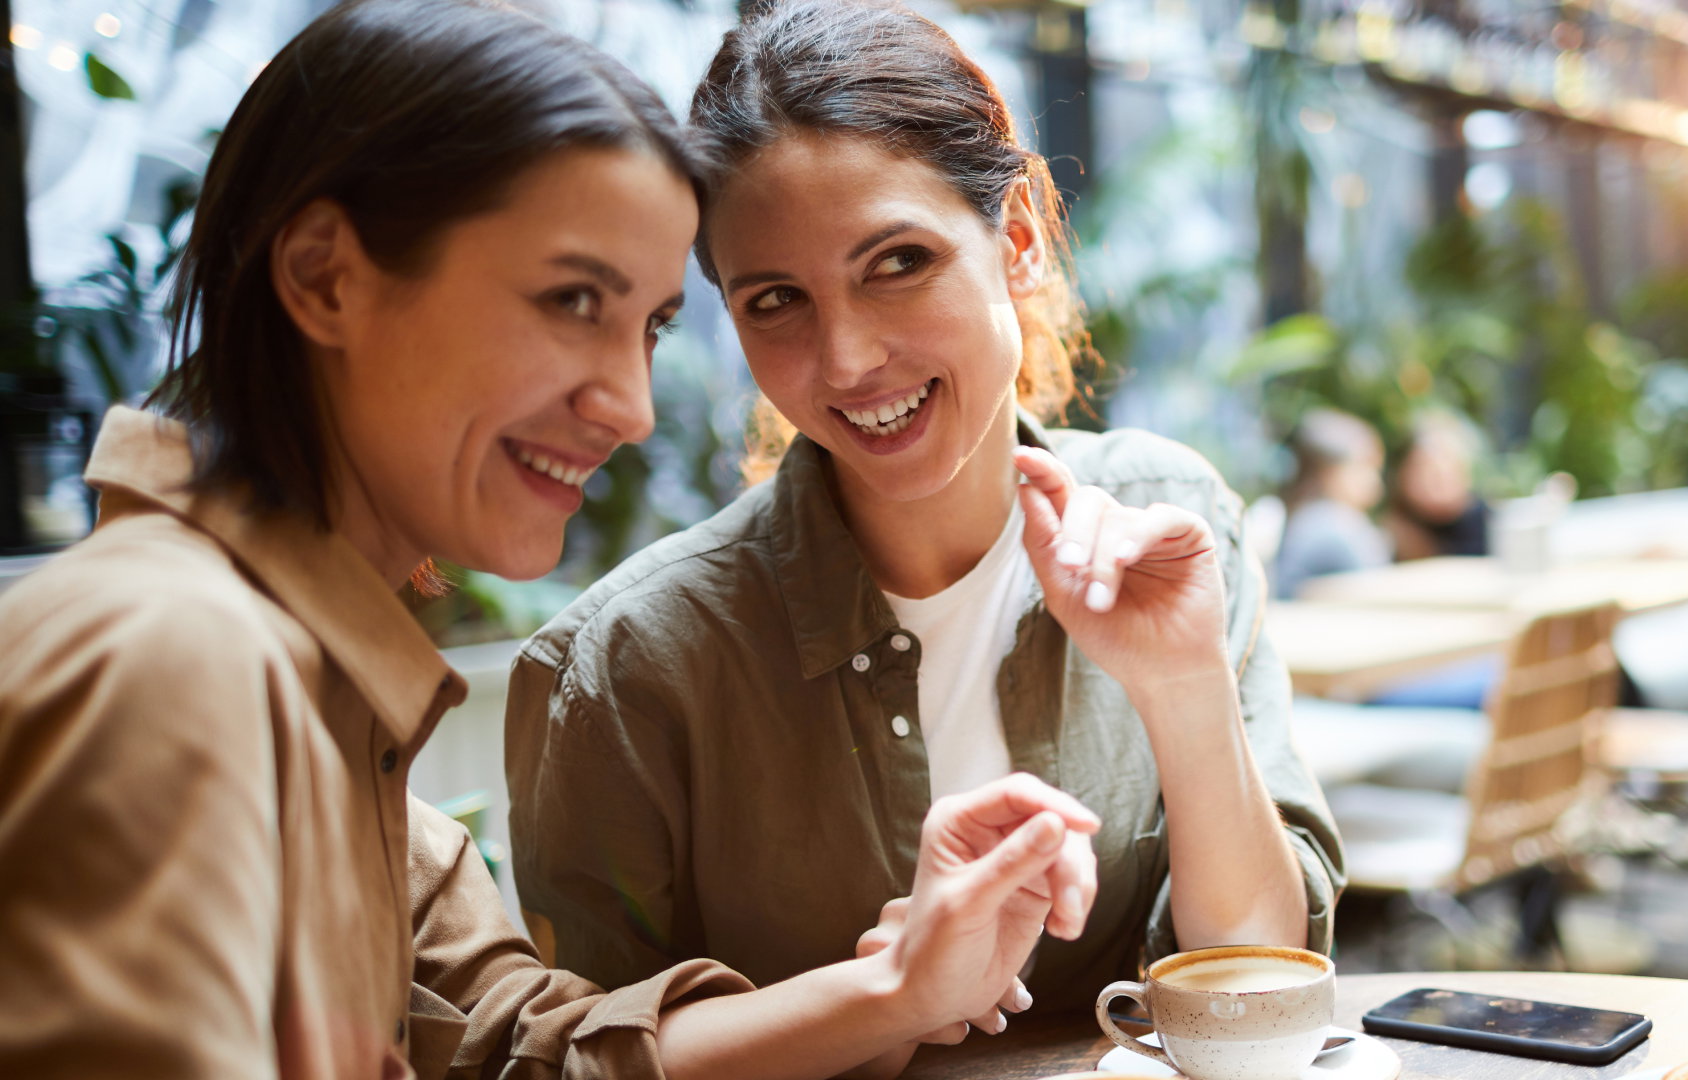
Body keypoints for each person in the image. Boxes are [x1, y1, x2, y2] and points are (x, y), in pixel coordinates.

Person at [0, 2, 1097, 1077]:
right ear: (326, 276)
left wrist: (902, 990)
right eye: (573, 299)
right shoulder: (171, 657)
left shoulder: (311, 684)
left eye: (652, 328)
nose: (631, 407)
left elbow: (522, 1047)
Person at [505, 2, 1343, 1076]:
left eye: (897, 261)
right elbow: (579, 1059)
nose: (848, 358)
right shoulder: (630, 666)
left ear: (1021, 238)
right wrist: (884, 1002)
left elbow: (1256, 988)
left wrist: (1183, 691)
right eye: (775, 301)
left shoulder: (1167, 519)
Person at [1269, 408, 1390, 598]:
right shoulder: (1336, 526)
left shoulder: (1307, 518)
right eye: (1367, 466)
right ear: (1330, 472)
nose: (1376, 481)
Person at [1385, 410, 1490, 560]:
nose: (1433, 483)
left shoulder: (1489, 525)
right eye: (1422, 469)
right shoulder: (1390, 532)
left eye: (1445, 469)